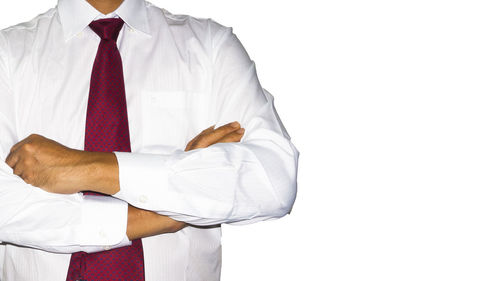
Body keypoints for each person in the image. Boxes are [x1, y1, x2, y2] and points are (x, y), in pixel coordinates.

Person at [0, 0, 299, 280]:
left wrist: (90, 169)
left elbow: (273, 178)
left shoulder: (210, 46)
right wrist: (168, 210)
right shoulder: (6, 54)